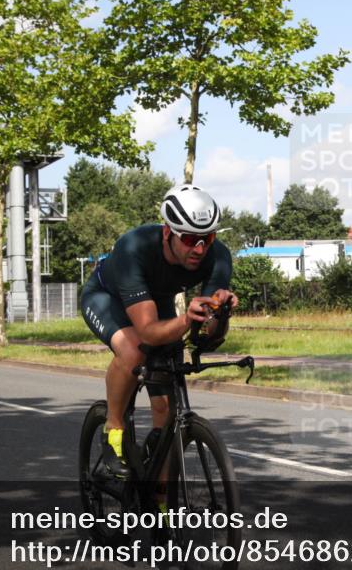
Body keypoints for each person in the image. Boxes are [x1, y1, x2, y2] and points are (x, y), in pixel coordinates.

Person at [80, 184, 238, 481]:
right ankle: (113, 428)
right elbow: (150, 333)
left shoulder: (217, 257)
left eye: (208, 239)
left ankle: (162, 507)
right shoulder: (133, 247)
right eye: (190, 239)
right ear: (168, 233)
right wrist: (184, 321)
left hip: (159, 301)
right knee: (134, 349)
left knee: (167, 410)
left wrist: (221, 313)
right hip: (106, 297)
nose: (200, 249)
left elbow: (209, 338)